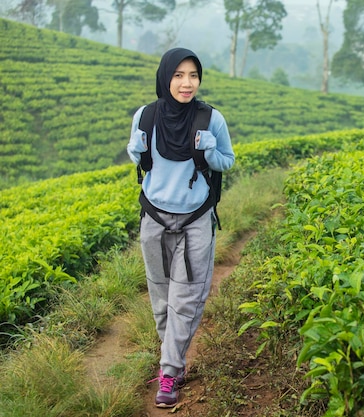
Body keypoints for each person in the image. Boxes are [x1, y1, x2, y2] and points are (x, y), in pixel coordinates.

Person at [126, 47, 235, 408]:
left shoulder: (210, 118)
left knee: (185, 299)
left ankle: (169, 371)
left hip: (195, 220)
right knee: (161, 298)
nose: (186, 83)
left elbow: (227, 162)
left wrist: (209, 150)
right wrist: (137, 150)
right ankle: (171, 359)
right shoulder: (146, 117)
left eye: (193, 75)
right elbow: (140, 159)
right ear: (165, 77)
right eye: (178, 75)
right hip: (155, 218)